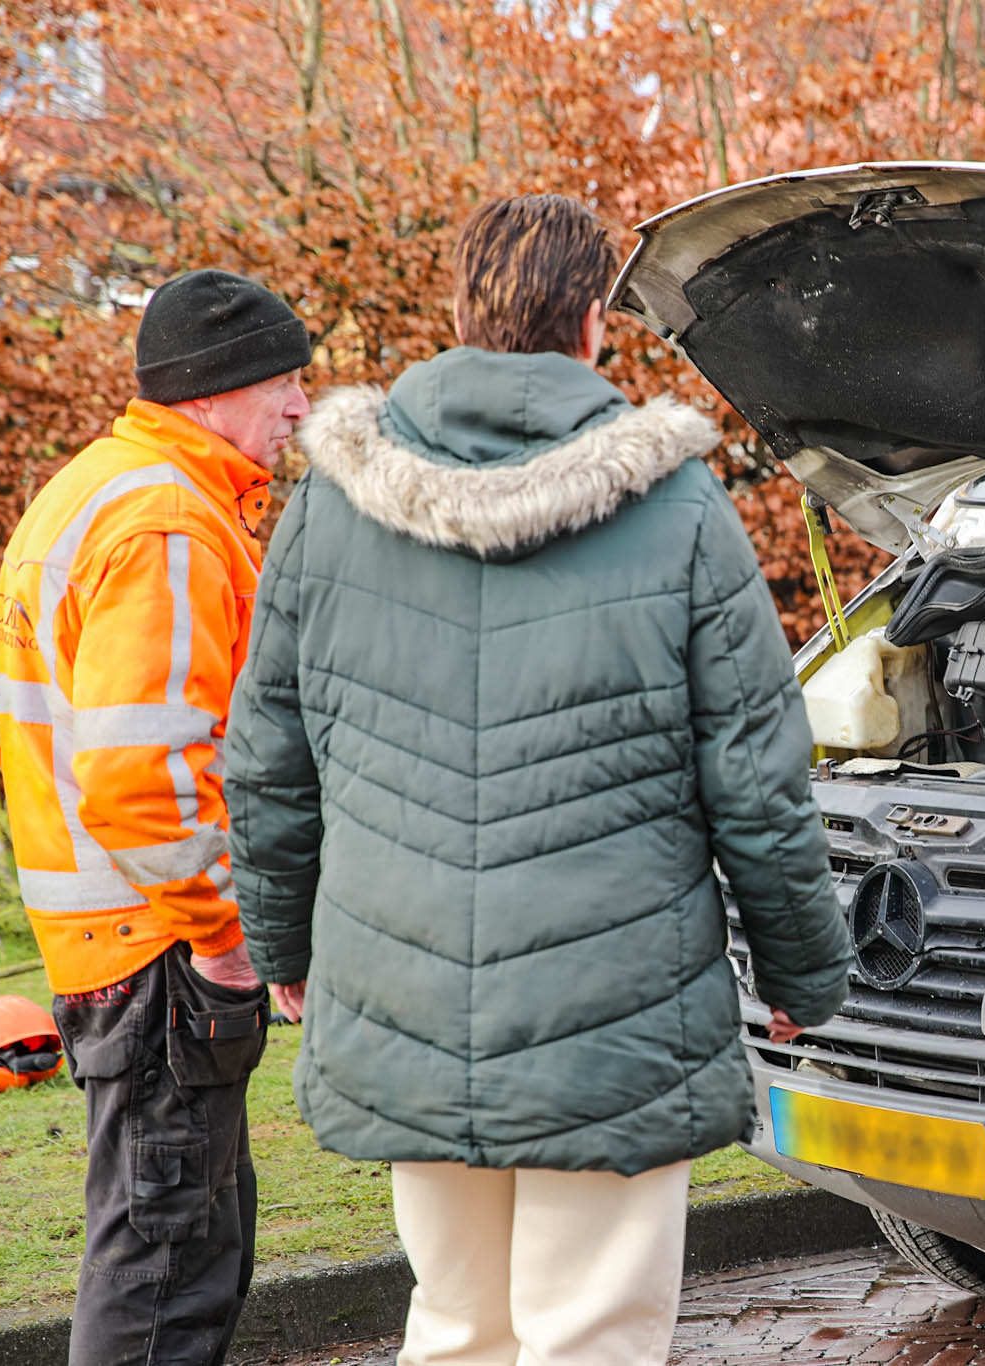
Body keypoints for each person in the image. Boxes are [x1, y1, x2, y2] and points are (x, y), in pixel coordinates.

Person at [225, 193, 851, 1366]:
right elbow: (758, 784)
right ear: (591, 323)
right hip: (613, 1007)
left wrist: (284, 945)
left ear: (462, 310)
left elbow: (268, 757)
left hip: (402, 978)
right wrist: (799, 972)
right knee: (590, 1337)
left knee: (456, 1327)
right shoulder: (678, 508)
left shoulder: (330, 506)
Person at [0, 268, 311, 1365]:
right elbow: (142, 776)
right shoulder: (168, 518)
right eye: (282, 381)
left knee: (176, 1246)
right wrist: (226, 935)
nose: (300, 405)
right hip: (161, 950)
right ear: (212, 390)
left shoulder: (96, 487)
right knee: (166, 1274)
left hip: (117, 946)